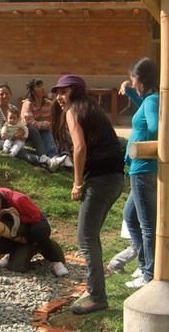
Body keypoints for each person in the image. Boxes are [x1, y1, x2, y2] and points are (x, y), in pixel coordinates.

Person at [50, 75, 124, 315]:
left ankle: (98, 297)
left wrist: (77, 183)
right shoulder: (91, 109)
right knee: (91, 236)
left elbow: (80, 148)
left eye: (64, 91)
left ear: (76, 92)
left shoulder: (74, 111)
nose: (59, 97)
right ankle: (95, 289)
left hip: (100, 180)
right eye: (57, 92)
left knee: (85, 238)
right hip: (116, 179)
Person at [118, 57, 159, 289]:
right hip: (139, 169)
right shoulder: (149, 99)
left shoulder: (153, 100)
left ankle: (149, 275)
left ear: (141, 79)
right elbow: (144, 110)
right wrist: (131, 92)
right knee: (130, 217)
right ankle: (145, 266)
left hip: (144, 168)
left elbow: (154, 127)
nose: (131, 82)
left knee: (146, 224)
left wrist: (143, 145)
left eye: (133, 78)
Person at [0, 187, 69, 276]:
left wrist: (18, 216)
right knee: (0, 246)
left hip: (35, 225)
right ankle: (18, 248)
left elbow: (36, 217)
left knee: (37, 231)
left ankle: (56, 261)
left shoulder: (18, 199)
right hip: (15, 231)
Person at [0, 84, 66, 171]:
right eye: (1, 94)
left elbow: (20, 123)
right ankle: (47, 162)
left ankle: (43, 155)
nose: (4, 96)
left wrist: (23, 131)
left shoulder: (13, 108)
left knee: (32, 130)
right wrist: (15, 136)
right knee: (17, 150)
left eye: (7, 93)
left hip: (15, 136)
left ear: (10, 95)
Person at [21, 78, 72, 167]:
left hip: (47, 129)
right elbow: (29, 122)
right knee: (47, 129)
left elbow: (55, 118)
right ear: (32, 91)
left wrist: (55, 125)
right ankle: (54, 156)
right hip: (31, 132)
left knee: (60, 127)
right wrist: (47, 125)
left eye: (42, 86)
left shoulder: (48, 103)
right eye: (38, 86)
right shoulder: (28, 104)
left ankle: (65, 155)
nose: (42, 88)